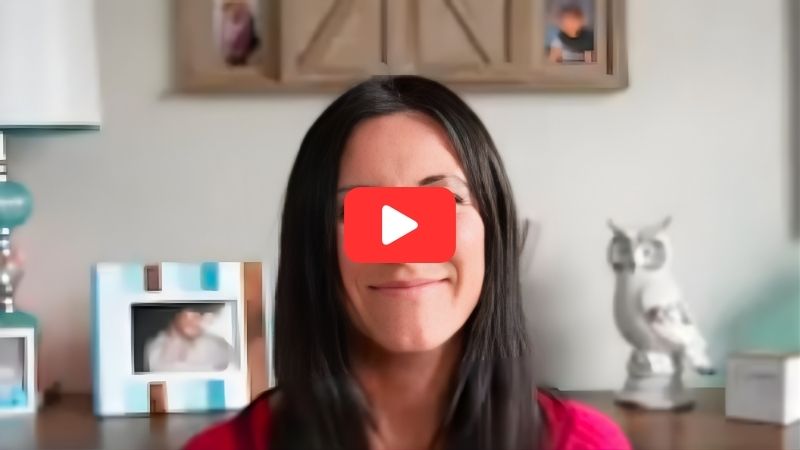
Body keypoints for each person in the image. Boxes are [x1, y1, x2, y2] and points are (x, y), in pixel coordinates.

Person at [184, 76, 630, 450]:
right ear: (312, 245)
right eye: (360, 211)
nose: (405, 249)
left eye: (442, 201)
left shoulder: (587, 443)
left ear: (492, 229)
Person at [145, 307, 234, 372]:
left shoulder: (218, 346)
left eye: (201, 314)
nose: (197, 319)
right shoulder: (154, 349)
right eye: (193, 312)